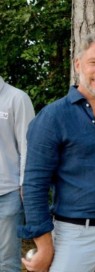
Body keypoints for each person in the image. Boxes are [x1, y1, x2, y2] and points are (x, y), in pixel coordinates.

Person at [19, 32, 95, 272]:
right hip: (75, 237)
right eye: (94, 62)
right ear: (78, 64)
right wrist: (43, 245)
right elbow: (33, 186)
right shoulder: (53, 117)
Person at [0, 76, 35, 272]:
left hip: (8, 194)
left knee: (7, 262)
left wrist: (25, 186)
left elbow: (27, 146)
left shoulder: (17, 98)